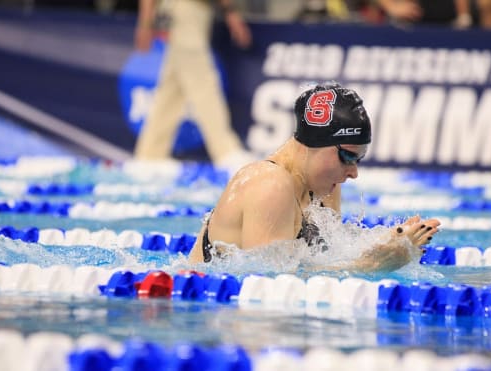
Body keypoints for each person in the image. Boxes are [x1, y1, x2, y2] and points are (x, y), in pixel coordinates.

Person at [188, 83, 440, 272]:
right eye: (347, 157)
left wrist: (388, 244)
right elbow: (271, 290)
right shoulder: (269, 184)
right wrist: (373, 264)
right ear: (316, 143)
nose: (353, 172)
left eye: (358, 160)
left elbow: (327, 260)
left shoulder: (323, 190)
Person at [134, 0, 255, 170]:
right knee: (202, 81)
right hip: (185, 11)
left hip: (189, 12)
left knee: (172, 88)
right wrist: (145, 22)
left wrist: (145, 21)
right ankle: (226, 151)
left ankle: (149, 155)